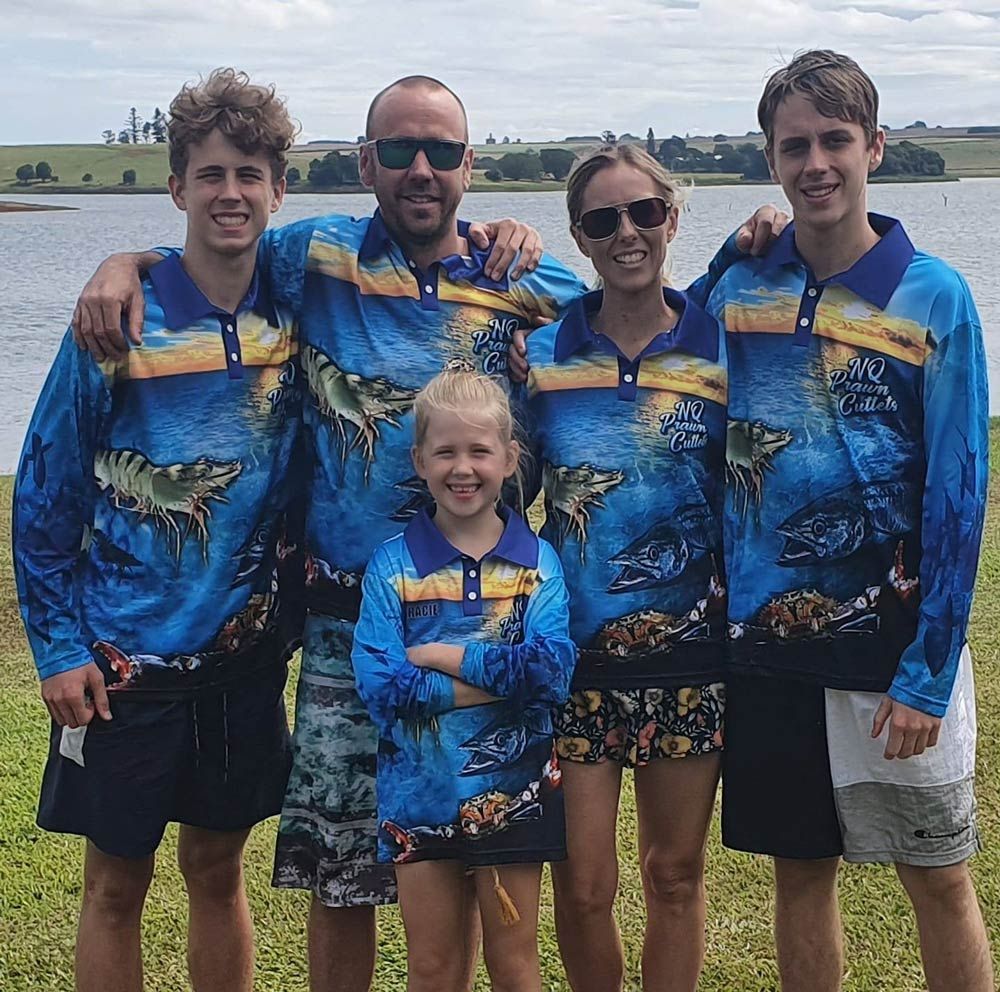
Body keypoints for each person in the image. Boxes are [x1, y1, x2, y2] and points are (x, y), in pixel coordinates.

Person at [72, 75, 585, 992]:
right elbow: (212, 246)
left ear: (471, 165)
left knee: (479, 870)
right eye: (397, 151)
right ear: (364, 164)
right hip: (345, 627)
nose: (418, 169)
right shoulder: (312, 259)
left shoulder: (526, 280)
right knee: (342, 874)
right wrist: (124, 264)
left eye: (439, 151)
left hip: (488, 619)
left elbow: (632, 327)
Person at [13, 68, 303, 992]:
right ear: (177, 187)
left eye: (250, 175)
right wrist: (57, 649)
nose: (231, 193)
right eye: (211, 174)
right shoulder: (117, 319)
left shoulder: (297, 306)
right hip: (121, 666)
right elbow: (45, 497)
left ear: (278, 190)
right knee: (114, 885)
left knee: (219, 875)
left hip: (245, 662)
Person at [708, 50, 992, 992]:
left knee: (938, 879)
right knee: (801, 878)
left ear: (874, 147)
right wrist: (723, 250)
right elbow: (657, 334)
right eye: (795, 146)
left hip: (895, 655)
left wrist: (928, 670)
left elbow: (959, 495)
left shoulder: (935, 295)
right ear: (770, 158)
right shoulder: (742, 288)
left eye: (836, 140)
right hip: (772, 644)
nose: (816, 163)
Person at [522, 145, 726, 992]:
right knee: (585, 884)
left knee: (675, 876)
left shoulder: (723, 345)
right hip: (576, 661)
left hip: (692, 655)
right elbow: (510, 485)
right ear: (580, 235)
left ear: (672, 218)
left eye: (644, 212)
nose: (627, 233)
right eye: (604, 220)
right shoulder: (539, 355)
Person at [351, 369, 575, 992]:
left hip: (516, 790)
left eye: (479, 451)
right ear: (419, 460)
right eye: (445, 452)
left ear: (509, 459)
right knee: (431, 966)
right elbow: (382, 688)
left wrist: (439, 655)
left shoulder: (539, 564)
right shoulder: (391, 564)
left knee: (515, 963)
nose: (463, 468)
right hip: (417, 793)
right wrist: (502, 676)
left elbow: (551, 673)